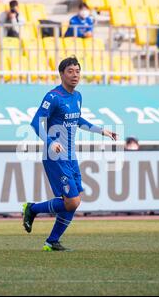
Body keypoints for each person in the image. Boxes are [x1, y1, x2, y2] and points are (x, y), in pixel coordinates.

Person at [23, 56, 118, 251]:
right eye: (70, 71)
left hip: (71, 156)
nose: (75, 75)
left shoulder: (78, 96)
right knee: (72, 201)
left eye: (77, 71)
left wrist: (101, 131)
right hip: (55, 156)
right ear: (61, 74)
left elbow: (77, 120)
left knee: (73, 202)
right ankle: (31, 209)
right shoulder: (53, 97)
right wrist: (50, 142)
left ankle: (51, 242)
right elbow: (35, 122)